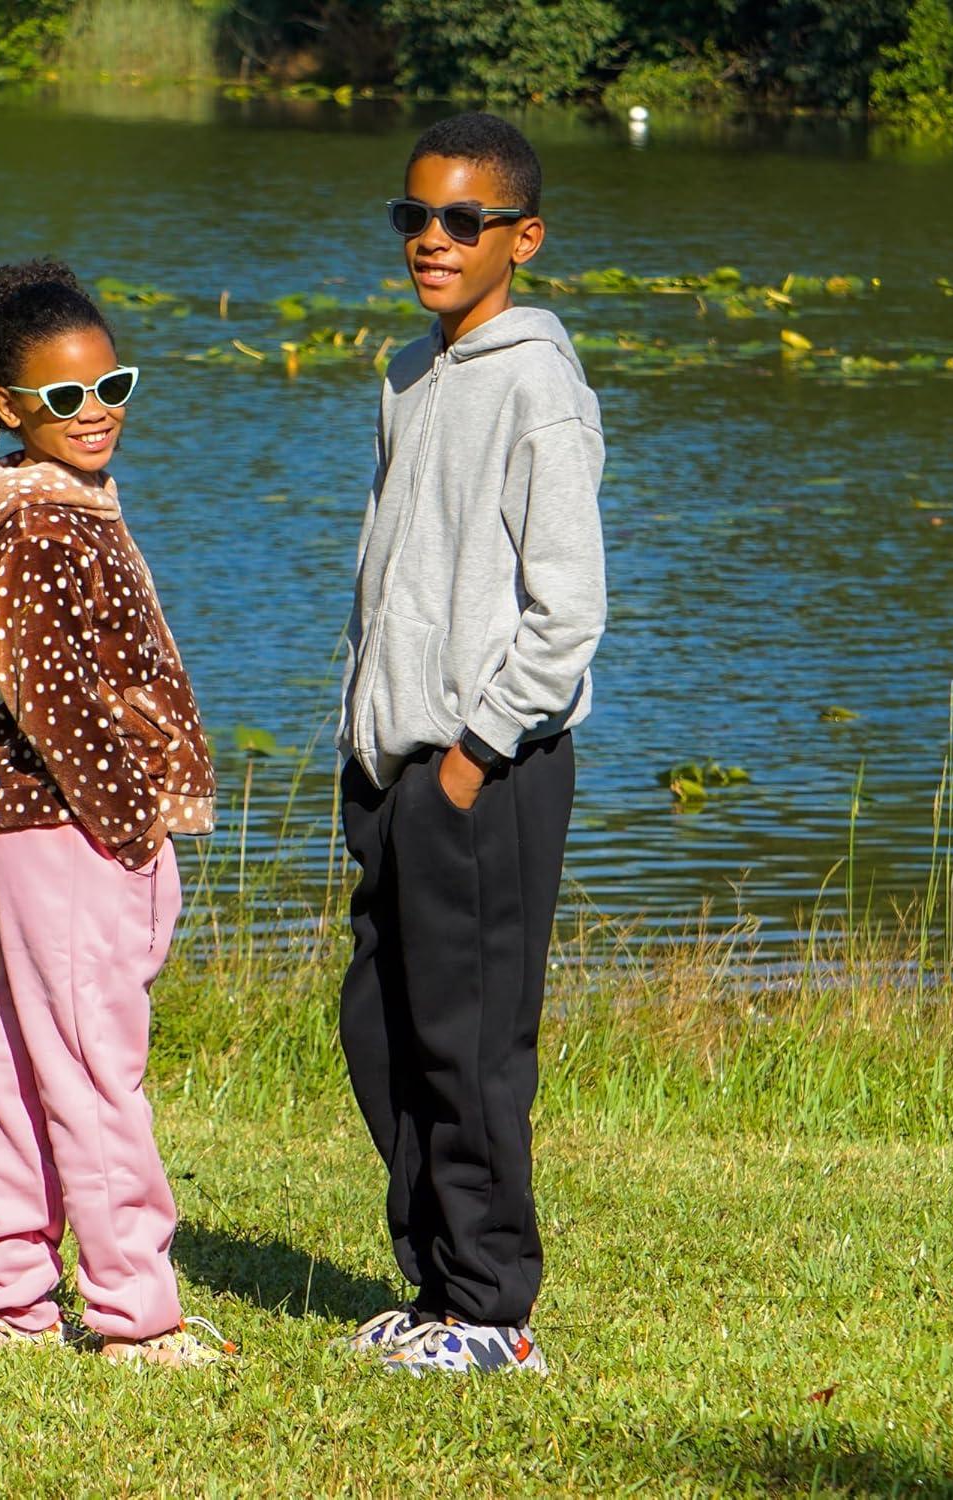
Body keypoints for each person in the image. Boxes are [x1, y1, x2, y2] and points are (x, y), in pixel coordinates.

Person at [337, 113, 607, 1375]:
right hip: (393, 769)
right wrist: (369, 739)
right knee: (385, 1030)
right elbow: (390, 576)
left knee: (473, 1044)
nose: (431, 241)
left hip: (486, 772)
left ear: (523, 238)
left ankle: (498, 1314)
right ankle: (438, 1290)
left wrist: (467, 759)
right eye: (413, 217)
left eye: (462, 221)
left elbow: (568, 614)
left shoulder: (538, 387)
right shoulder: (410, 373)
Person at [0, 259, 227, 1368]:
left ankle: (9, 1296)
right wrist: (132, 821)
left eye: (113, 386)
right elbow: (50, 694)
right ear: (9, 408)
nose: (95, 410)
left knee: (28, 1055)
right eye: (65, 397)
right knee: (97, 1072)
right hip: (73, 829)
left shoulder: (57, 498)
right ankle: (136, 1318)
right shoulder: (35, 525)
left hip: (55, 826)